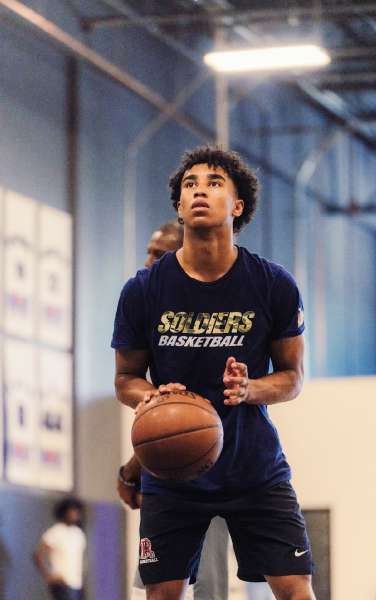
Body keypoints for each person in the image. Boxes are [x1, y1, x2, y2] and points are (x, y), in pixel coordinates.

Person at [111, 146, 316, 600]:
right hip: (172, 473)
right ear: (180, 206)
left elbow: (293, 377)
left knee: (296, 590)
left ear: (237, 206)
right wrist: (152, 396)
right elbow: (125, 378)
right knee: (163, 594)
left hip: (254, 467)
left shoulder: (273, 283)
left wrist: (250, 388)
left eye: (214, 182)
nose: (200, 190)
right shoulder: (143, 290)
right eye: (190, 184)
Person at [117, 220, 229, 600]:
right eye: (148, 251)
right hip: (174, 473)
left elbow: (189, 422)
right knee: (159, 589)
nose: (148, 262)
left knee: (209, 591)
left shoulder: (208, 309)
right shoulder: (149, 305)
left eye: (159, 254)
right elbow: (167, 418)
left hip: (214, 466)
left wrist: (134, 468)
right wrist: (136, 468)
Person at [33, 497, 86, 600]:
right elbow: (37, 554)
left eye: (76, 511)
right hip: (62, 584)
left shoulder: (78, 533)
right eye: (71, 511)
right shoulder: (57, 532)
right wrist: (48, 576)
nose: (74, 514)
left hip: (77, 583)